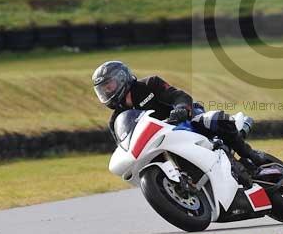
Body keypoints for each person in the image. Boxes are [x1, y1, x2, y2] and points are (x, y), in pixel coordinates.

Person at [92, 60, 266, 185]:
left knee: (213, 120)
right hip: (158, 142)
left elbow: (178, 95)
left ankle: (250, 155)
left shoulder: (150, 84)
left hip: (184, 122)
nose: (107, 92)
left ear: (122, 78)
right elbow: (125, 144)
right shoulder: (116, 120)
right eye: (103, 89)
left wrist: (181, 108)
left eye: (109, 85)